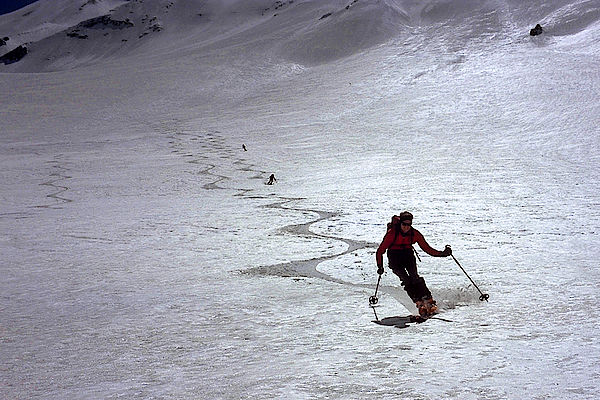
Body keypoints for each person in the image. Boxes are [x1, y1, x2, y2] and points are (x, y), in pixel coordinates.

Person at [376, 211, 452, 317]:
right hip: (394, 257)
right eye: (404, 224)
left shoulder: (414, 233)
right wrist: (380, 266)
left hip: (408, 255)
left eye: (409, 225)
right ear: (400, 223)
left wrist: (442, 254)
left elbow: (427, 249)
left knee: (414, 277)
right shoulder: (392, 233)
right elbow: (380, 251)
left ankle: (428, 301)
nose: (406, 227)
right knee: (406, 280)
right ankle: (419, 302)